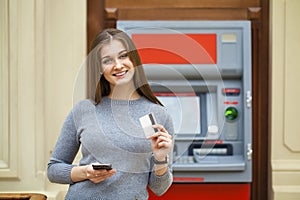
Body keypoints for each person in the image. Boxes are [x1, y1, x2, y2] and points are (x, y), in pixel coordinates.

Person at [47, 28, 174, 200]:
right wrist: (84, 172)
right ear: (99, 68)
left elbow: (159, 188)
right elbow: (53, 170)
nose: (118, 65)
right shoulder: (84, 110)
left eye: (123, 56)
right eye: (108, 60)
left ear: (134, 59)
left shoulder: (158, 114)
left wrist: (160, 159)